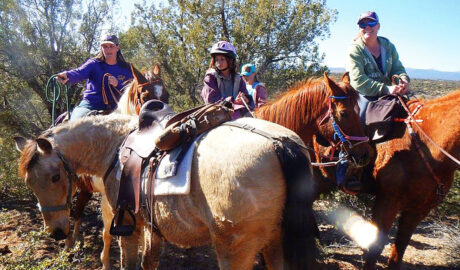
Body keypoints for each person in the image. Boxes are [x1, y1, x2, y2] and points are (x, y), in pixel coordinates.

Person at [345, 11, 410, 122]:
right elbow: (358, 81)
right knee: (361, 120)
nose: (367, 27)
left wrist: (403, 80)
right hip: (365, 95)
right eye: (363, 25)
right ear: (359, 28)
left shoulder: (388, 46)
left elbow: (397, 68)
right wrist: (386, 89)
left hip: (391, 93)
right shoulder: (355, 50)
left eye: (371, 23)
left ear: (378, 26)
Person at [56, 34, 133, 120]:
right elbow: (79, 73)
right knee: (75, 124)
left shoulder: (127, 68)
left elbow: (133, 89)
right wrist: (66, 75)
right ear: (101, 48)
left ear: (118, 47)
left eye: (111, 46)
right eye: (105, 46)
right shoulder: (93, 64)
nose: (108, 49)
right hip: (90, 104)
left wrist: (117, 84)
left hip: (117, 107)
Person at [201, 41, 253, 119]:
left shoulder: (239, 78)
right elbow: (211, 100)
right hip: (215, 116)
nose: (219, 63)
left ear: (230, 60)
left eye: (222, 59)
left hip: (236, 114)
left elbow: (245, 96)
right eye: (217, 60)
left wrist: (245, 99)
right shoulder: (210, 76)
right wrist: (233, 101)